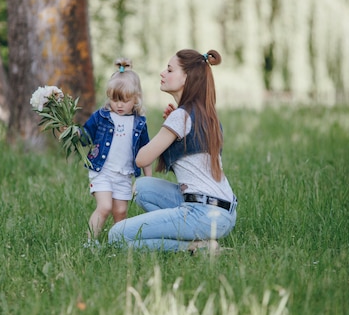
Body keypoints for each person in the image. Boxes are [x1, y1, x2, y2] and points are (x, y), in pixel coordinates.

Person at [108, 48, 237, 252]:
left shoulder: (181, 117)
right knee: (142, 188)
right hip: (224, 212)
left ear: (186, 78)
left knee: (116, 236)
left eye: (169, 70)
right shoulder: (206, 115)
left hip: (202, 214)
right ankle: (191, 238)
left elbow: (142, 159)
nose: (162, 73)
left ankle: (195, 247)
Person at [83, 58, 152, 241]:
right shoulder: (101, 117)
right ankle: (90, 242)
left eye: (124, 100)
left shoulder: (139, 123)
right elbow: (84, 135)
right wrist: (71, 133)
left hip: (124, 174)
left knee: (120, 211)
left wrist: (148, 178)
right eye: (114, 99)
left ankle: (118, 243)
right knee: (104, 207)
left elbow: (146, 151)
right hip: (102, 171)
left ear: (136, 99)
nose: (119, 105)